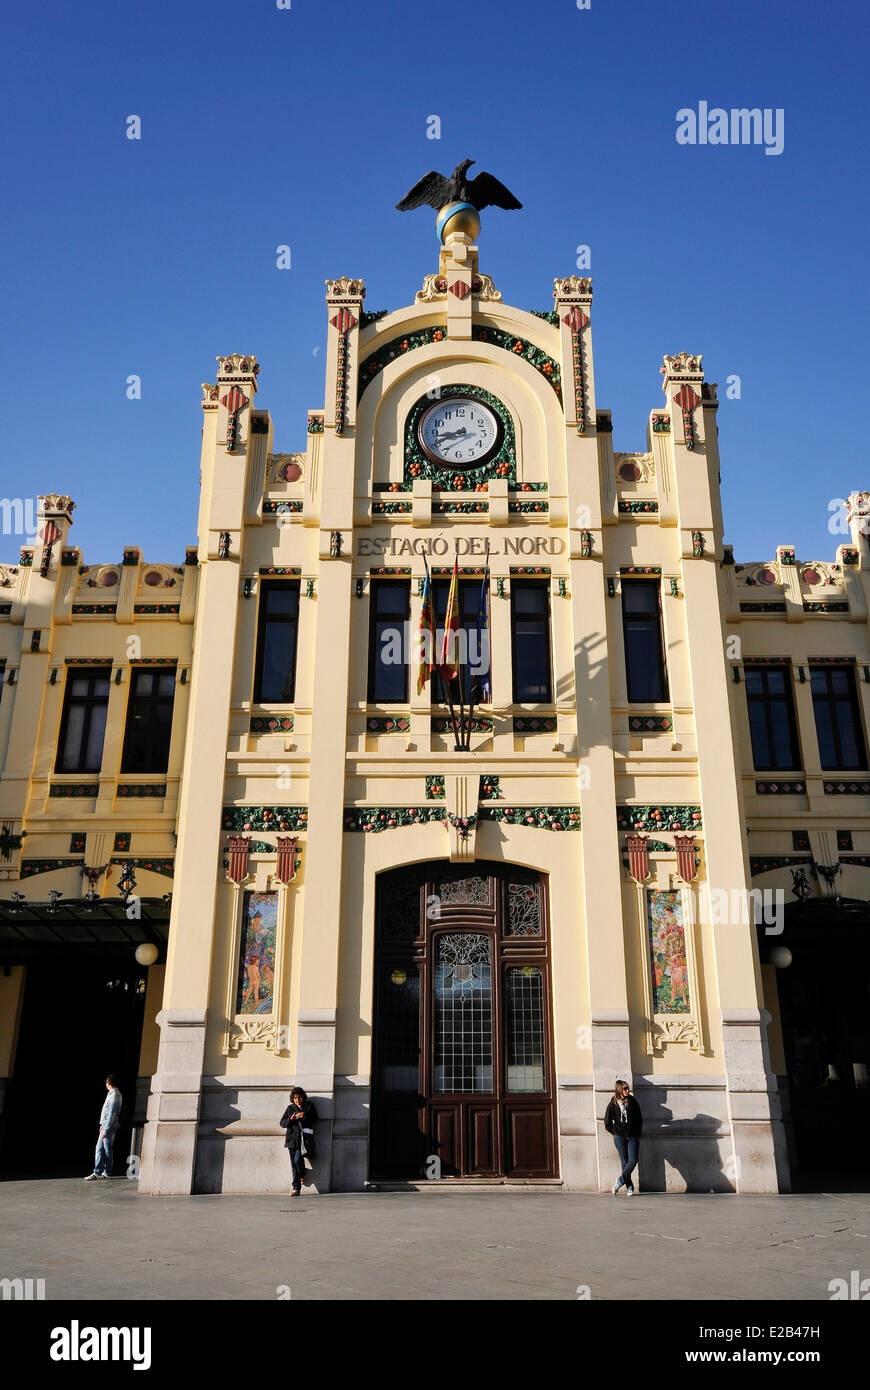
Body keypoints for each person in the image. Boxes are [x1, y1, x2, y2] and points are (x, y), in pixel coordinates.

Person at [604, 1078, 643, 1196]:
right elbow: (607, 1122)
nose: (627, 1090)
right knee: (624, 1162)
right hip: (619, 1137)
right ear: (619, 1090)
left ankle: (620, 1181)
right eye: (625, 1088)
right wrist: (615, 1132)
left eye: (628, 1088)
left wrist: (637, 1132)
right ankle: (630, 1187)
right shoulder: (613, 1103)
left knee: (633, 1160)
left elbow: (639, 1119)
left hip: (632, 1136)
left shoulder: (633, 1102)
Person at [279, 1087, 318, 1197]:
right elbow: (282, 1123)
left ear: (303, 1097)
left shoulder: (309, 1106)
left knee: (297, 1160)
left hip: (304, 1139)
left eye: (299, 1097)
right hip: (292, 1139)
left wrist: (304, 1116)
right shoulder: (290, 1108)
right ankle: (296, 1188)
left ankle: (302, 1173)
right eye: (295, 1098)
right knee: (293, 1164)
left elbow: (315, 1119)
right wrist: (292, 1119)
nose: (297, 1100)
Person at [84, 1074, 122, 1180]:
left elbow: (112, 1114)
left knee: (105, 1149)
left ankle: (103, 1171)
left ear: (108, 1083)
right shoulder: (112, 1094)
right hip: (107, 1125)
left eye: (106, 1082)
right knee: (101, 1148)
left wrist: (106, 1128)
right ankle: (100, 1172)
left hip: (109, 1126)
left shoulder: (114, 1095)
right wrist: (103, 1125)